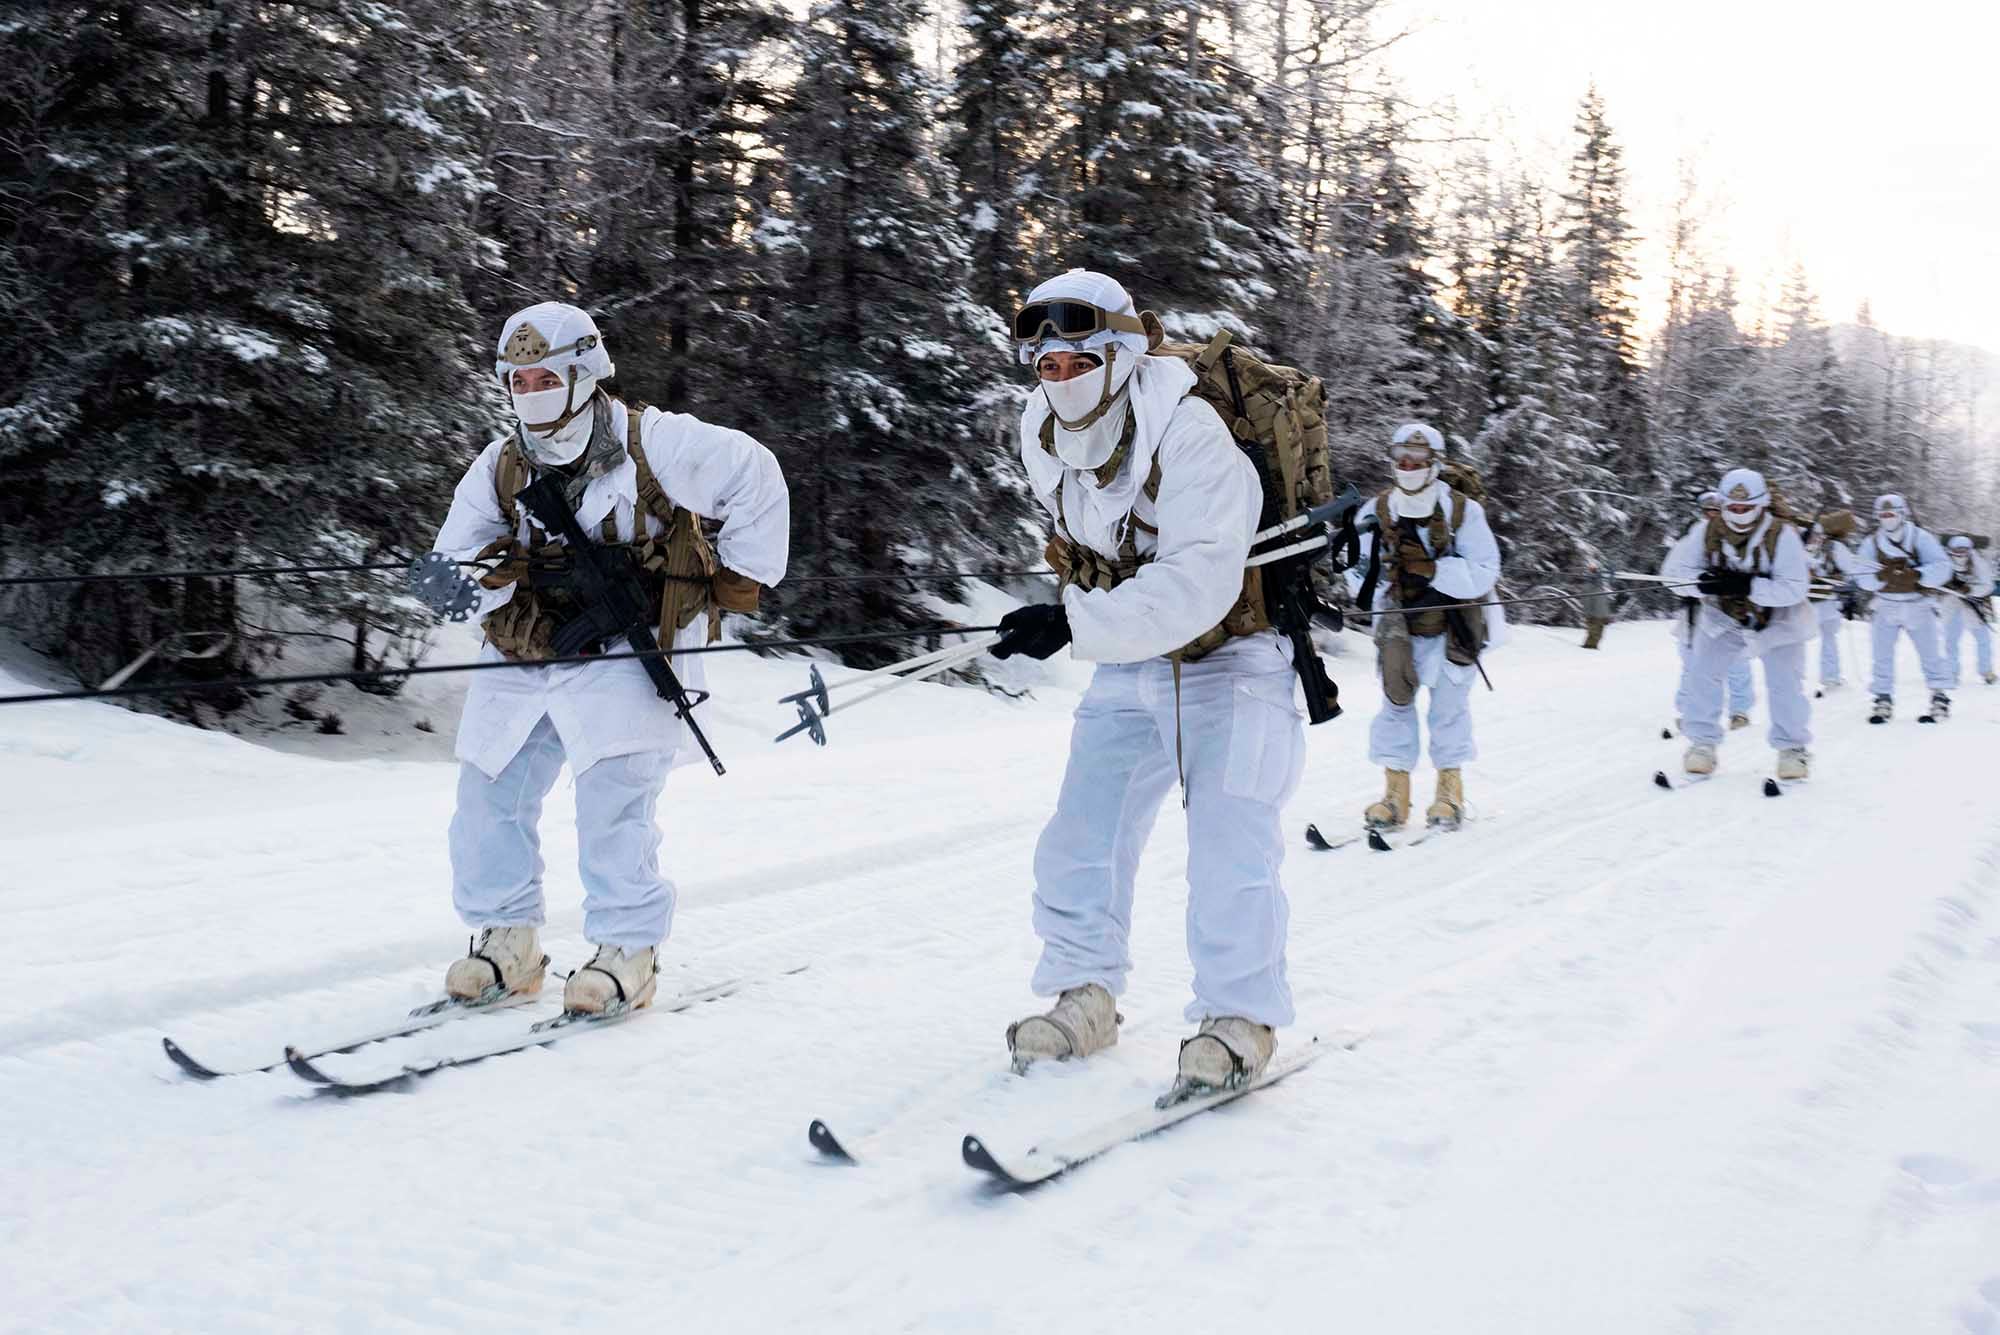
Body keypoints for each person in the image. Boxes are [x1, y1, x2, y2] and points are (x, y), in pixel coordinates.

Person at [427, 302, 789, 1013]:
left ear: (584, 373)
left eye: (545, 377)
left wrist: (740, 574)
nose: (530, 393)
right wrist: (468, 586)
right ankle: (507, 939)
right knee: (486, 791)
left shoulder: (657, 442)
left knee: (613, 798)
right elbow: (452, 558)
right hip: (527, 645)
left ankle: (628, 948)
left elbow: (756, 471)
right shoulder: (501, 463)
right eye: (518, 380)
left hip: (631, 643)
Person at [992, 269, 1303, 1092]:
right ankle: (1084, 993)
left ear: (1121, 353)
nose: (1061, 380)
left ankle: (1239, 1017)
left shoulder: (1190, 430)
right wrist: (1061, 609)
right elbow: (1093, 546)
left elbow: (1202, 576)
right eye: (1046, 367)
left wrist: (1075, 622)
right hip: (1130, 657)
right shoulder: (1041, 430)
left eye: (1078, 361)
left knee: (1231, 837)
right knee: (1082, 831)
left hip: (1233, 654)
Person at [1349, 423, 1502, 832]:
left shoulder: (1462, 511)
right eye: (1402, 457)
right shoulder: (1375, 510)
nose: (1409, 465)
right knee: (1395, 704)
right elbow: (1356, 572)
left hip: (1453, 624)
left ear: (1434, 462)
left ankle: (1449, 793)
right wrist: (1385, 575)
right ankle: (1395, 795)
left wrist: (1434, 569)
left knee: (1449, 709)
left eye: (1417, 458)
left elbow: (1485, 569)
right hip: (1399, 625)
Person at [1660, 468, 1813, 778]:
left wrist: (1747, 585)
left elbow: (1795, 587)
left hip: (1778, 619)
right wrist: (1701, 585)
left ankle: (1792, 749)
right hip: (1723, 615)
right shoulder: (1705, 531)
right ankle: (1702, 744)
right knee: (1702, 675)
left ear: (1761, 505)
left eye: (1747, 508)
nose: (1739, 514)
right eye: (1733, 508)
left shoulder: (1781, 534)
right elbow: (1673, 574)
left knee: (1785, 684)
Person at [1851, 493, 1952, 723]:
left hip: (1918, 604)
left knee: (1931, 654)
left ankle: (1939, 696)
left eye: (1892, 514)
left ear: (1902, 514)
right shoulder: (1872, 542)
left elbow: (1942, 567)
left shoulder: (1919, 537)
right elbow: (1861, 575)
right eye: (1883, 515)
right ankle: (1883, 699)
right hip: (1886, 605)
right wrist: (1879, 576)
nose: (1888, 518)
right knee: (1881, 655)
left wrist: (1918, 574)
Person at [1673, 492, 1756, 730]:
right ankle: (1689, 710)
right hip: (1697, 612)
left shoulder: (1741, 536)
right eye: (1708, 510)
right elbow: (1673, 573)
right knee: (1691, 663)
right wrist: (1696, 582)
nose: (1713, 515)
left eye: (1717, 510)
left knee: (1737, 662)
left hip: (1733, 611)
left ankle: (1740, 711)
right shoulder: (1693, 537)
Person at [1939, 535, 1997, 686]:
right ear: (1950, 551)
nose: (1960, 554)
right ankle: (1951, 673)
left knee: (1983, 639)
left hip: (1973, 604)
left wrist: (1971, 589)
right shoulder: (1943, 562)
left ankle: (1986, 671)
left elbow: (1988, 585)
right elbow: (1934, 579)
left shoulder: (1978, 563)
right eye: (1957, 551)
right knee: (1951, 639)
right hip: (1950, 603)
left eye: (1964, 551)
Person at [1804, 520, 1854, 690]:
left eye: (1818, 536)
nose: (1816, 539)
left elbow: (1849, 569)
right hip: (1806, 603)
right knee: (1799, 641)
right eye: (1813, 536)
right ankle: (1800, 678)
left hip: (1826, 602)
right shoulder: (1797, 549)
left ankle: (1830, 677)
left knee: (1829, 639)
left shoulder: (1833, 548)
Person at [1579, 559, 1614, 649]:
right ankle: (1589, 646)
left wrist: (1607, 616)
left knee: (1597, 632)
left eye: (1594, 569)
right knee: (1594, 631)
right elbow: (1586, 601)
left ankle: (1591, 646)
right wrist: (1588, 614)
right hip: (1593, 614)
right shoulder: (1589, 586)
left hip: (1600, 613)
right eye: (1592, 569)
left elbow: (1603, 602)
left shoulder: (1599, 585)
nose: (1593, 570)